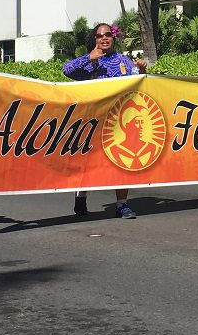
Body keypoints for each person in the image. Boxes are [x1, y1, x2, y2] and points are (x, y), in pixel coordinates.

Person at [62, 22, 144, 220]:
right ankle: (81, 196)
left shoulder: (124, 61)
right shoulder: (89, 61)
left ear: (113, 37)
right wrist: (89, 58)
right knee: (88, 163)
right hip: (93, 120)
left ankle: (122, 205)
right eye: (100, 36)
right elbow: (66, 70)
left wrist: (141, 71)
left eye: (108, 34)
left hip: (118, 120)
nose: (104, 38)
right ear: (95, 39)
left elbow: (136, 84)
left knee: (122, 161)